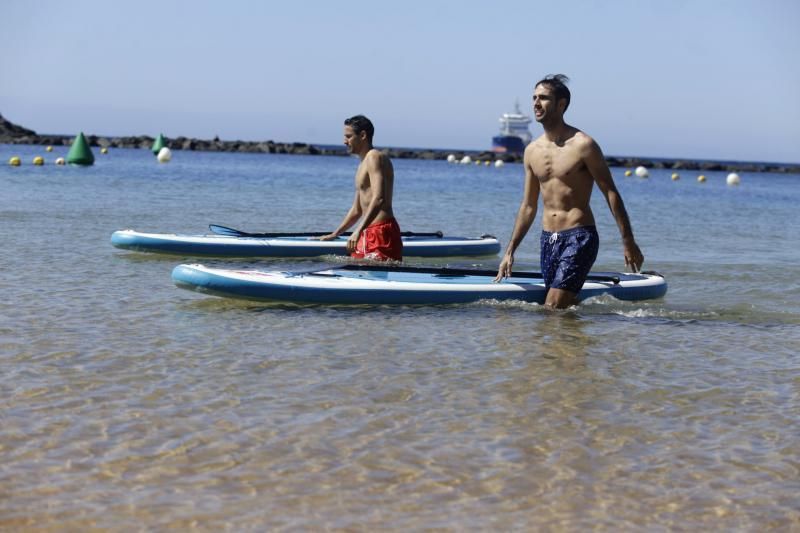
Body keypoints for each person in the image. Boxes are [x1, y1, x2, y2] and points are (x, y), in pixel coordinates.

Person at [494, 74, 644, 308]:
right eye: (534, 97)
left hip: (579, 236)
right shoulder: (531, 151)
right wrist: (510, 251)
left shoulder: (584, 145)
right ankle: (577, 341)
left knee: (552, 306)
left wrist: (628, 241)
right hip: (548, 240)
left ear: (561, 104)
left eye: (543, 98)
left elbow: (611, 192)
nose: (535, 103)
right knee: (564, 308)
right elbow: (529, 205)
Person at [318, 115, 403, 261]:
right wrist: (336, 233)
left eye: (349, 136)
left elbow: (379, 198)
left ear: (363, 135)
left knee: (375, 278)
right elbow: (357, 209)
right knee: (358, 271)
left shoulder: (374, 157)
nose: (345, 141)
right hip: (368, 231)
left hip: (381, 231)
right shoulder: (362, 164)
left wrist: (358, 230)